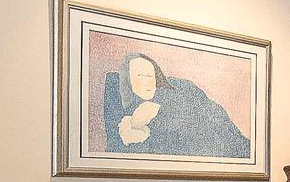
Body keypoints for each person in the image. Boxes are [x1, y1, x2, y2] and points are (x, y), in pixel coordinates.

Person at [102, 53, 252, 159]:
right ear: (127, 80)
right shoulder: (121, 105)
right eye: (139, 76)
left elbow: (216, 119)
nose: (147, 82)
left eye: (150, 76)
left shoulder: (182, 93)